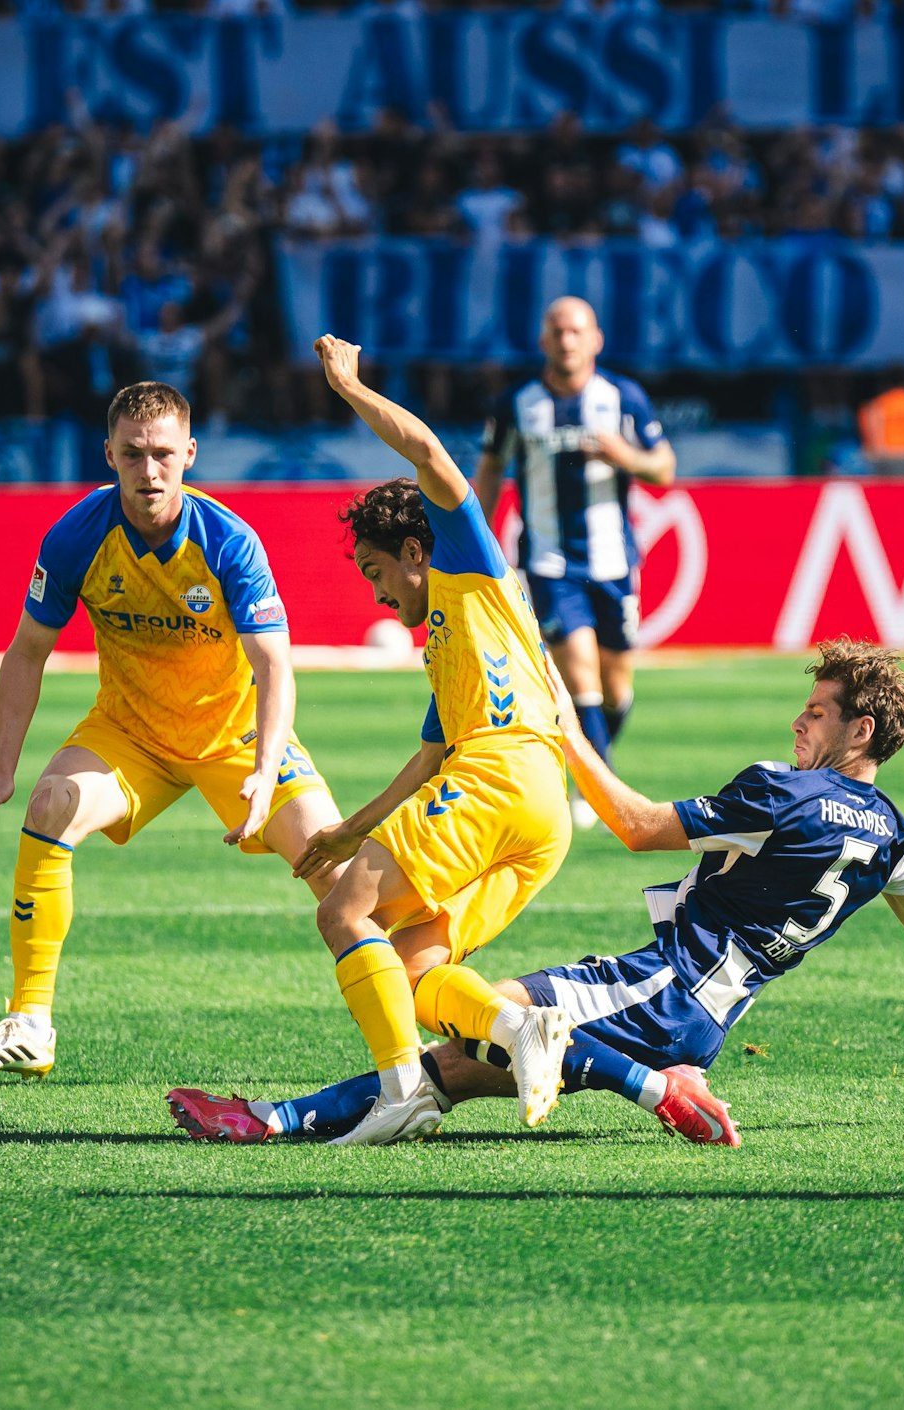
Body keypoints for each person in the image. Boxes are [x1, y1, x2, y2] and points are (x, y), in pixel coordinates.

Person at [168, 639, 904, 1146]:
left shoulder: (784, 794)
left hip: (665, 986)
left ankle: (656, 1088)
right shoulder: (892, 833)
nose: (797, 725)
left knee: (483, 1009)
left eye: (816, 713)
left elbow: (636, 825)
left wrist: (564, 730)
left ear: (862, 732)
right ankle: (272, 1119)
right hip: (709, 1016)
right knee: (452, 1068)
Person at [0, 381, 345, 1079]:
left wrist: (264, 767)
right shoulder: (77, 536)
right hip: (131, 734)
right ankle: (30, 1023)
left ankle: (427, 1023)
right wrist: (4, 770)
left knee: (338, 871)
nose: (149, 471)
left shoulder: (229, 542)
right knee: (50, 805)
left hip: (234, 736)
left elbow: (274, 666)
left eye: (162, 454)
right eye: (133, 454)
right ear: (110, 455)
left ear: (189, 453)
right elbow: (26, 652)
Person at [290, 335, 575, 1146]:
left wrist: (349, 385)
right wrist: (351, 830)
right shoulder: (449, 644)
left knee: (345, 913)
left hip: (500, 771)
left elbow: (426, 450)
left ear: (416, 551)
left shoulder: (467, 564)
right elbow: (426, 761)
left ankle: (403, 1091)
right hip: (539, 815)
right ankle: (517, 1028)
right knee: (414, 968)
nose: (377, 595)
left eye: (376, 572)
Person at [474, 296, 676, 829]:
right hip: (547, 561)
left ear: (595, 340)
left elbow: (663, 469)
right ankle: (601, 792)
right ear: (543, 341)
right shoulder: (516, 402)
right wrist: (476, 536)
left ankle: (590, 758)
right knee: (578, 668)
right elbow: (491, 467)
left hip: (614, 561)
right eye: (558, 332)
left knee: (616, 688)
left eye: (576, 331)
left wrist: (624, 456)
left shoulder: (623, 397)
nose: (567, 341)